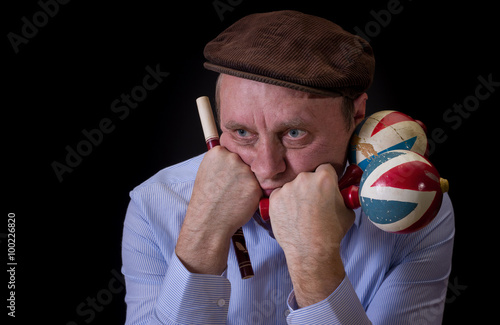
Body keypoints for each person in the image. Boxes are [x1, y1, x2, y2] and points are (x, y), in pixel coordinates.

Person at [121, 10, 454, 324]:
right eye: (241, 133)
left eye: (295, 134)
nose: (267, 168)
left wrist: (315, 261)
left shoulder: (409, 204)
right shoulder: (156, 203)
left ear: (355, 114)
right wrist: (202, 234)